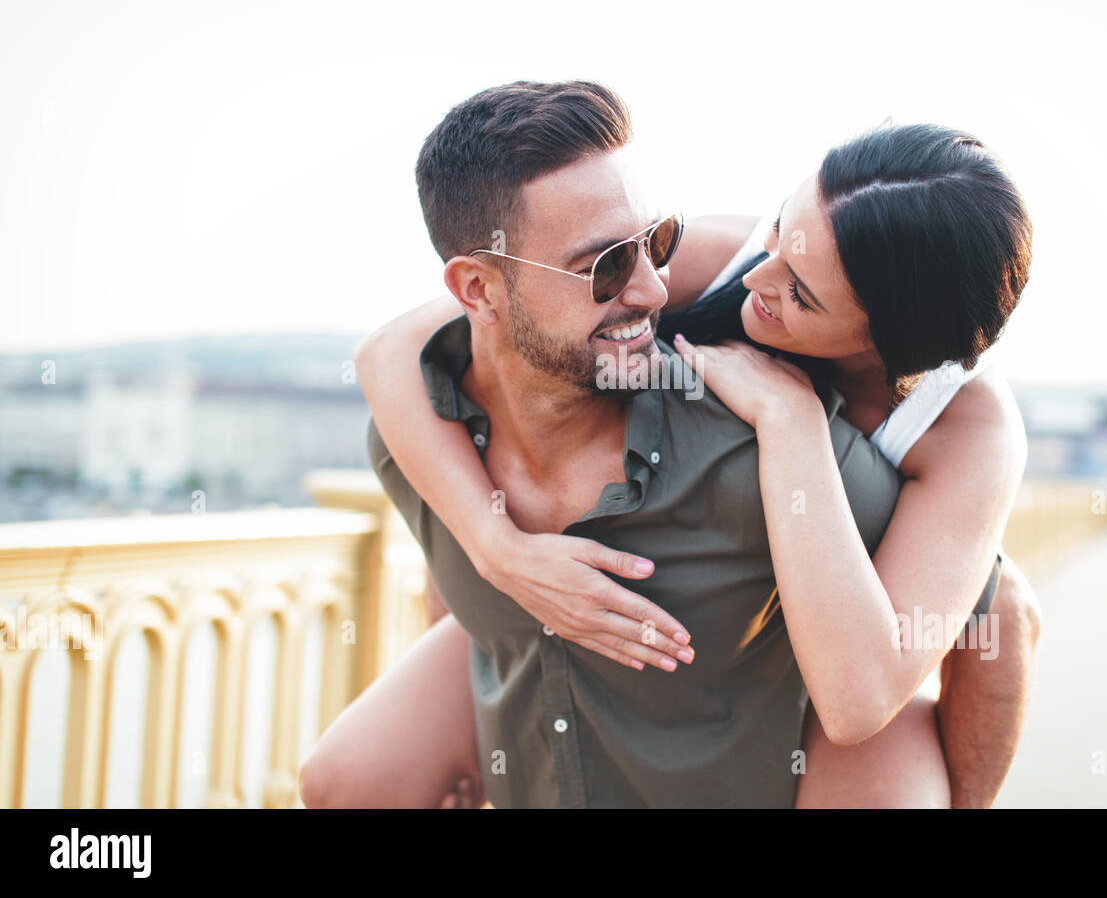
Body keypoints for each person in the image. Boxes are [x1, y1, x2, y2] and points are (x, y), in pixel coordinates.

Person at [300, 80, 1040, 808]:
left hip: (838, 649)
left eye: (802, 293)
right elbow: (396, 350)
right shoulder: (729, 260)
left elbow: (953, 638)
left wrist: (792, 422)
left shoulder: (966, 429)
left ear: (887, 341)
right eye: (782, 229)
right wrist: (500, 552)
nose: (759, 275)